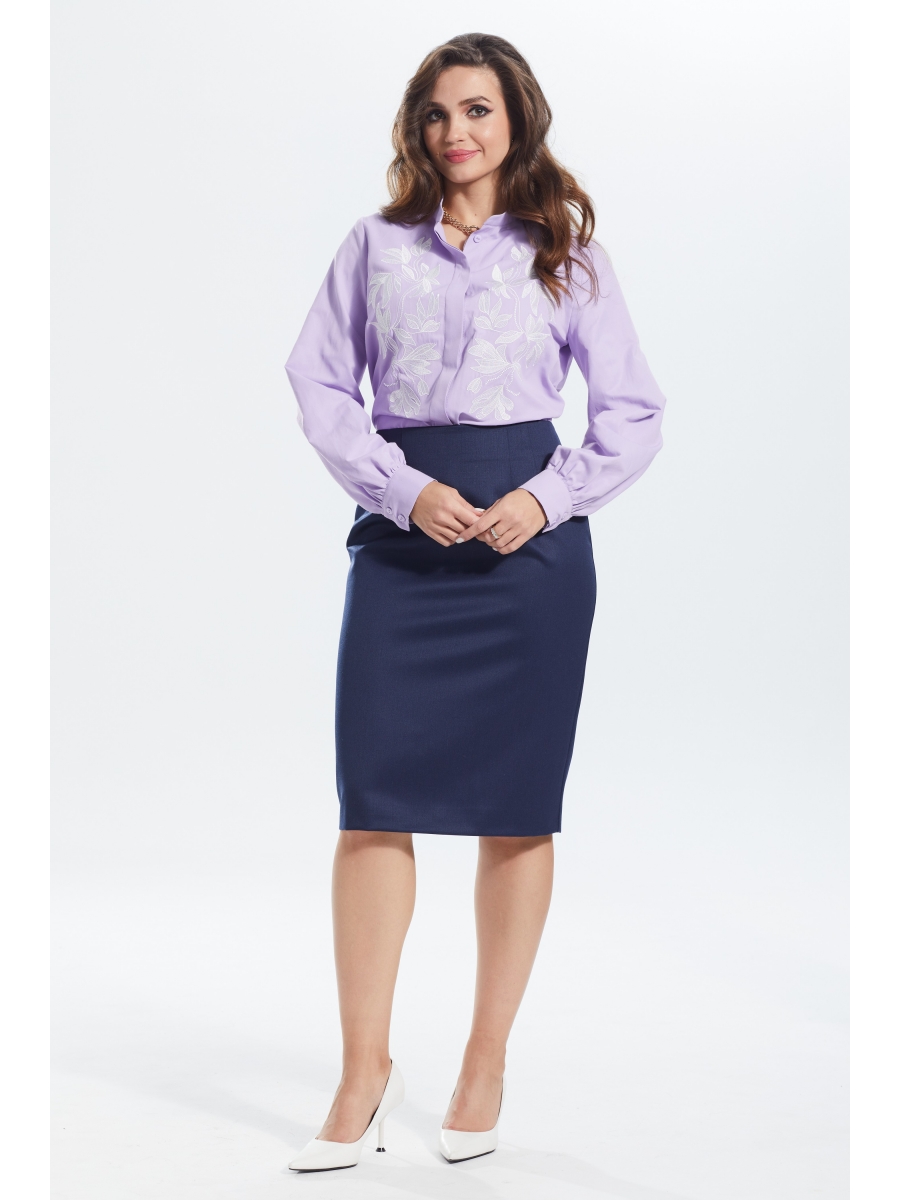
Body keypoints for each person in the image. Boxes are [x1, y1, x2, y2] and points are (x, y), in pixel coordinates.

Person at [283, 32, 666, 1171]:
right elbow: (318, 383)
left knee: (517, 808)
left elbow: (633, 412)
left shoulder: (567, 255)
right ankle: (363, 1071)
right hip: (405, 540)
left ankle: (485, 1061)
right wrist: (403, 490)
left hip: (529, 554)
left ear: (517, 119)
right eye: (439, 112)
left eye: (479, 110)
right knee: (372, 802)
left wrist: (545, 501)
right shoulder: (374, 246)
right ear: (418, 127)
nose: (457, 132)